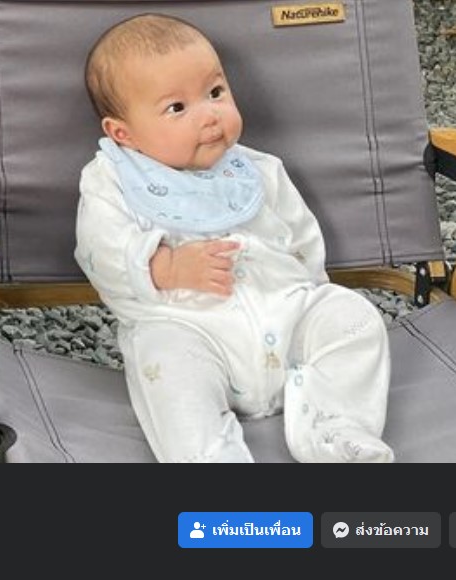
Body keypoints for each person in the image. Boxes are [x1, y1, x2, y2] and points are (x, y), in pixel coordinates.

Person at [75, 14, 392, 463]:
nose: (209, 115)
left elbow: (302, 238)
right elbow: (98, 247)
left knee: (352, 315)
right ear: (122, 133)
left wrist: (309, 302)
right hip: (191, 330)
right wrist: (166, 267)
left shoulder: (256, 170)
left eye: (215, 92)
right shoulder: (112, 181)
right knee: (162, 360)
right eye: (177, 108)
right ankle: (213, 458)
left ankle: (335, 428)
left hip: (283, 318)